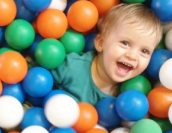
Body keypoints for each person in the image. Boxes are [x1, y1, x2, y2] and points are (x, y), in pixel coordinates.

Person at [31, 3, 163, 106]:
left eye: (144, 51)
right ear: (100, 43)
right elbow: (33, 78)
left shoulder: (131, 95)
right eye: (125, 43)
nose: (132, 56)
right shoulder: (71, 67)